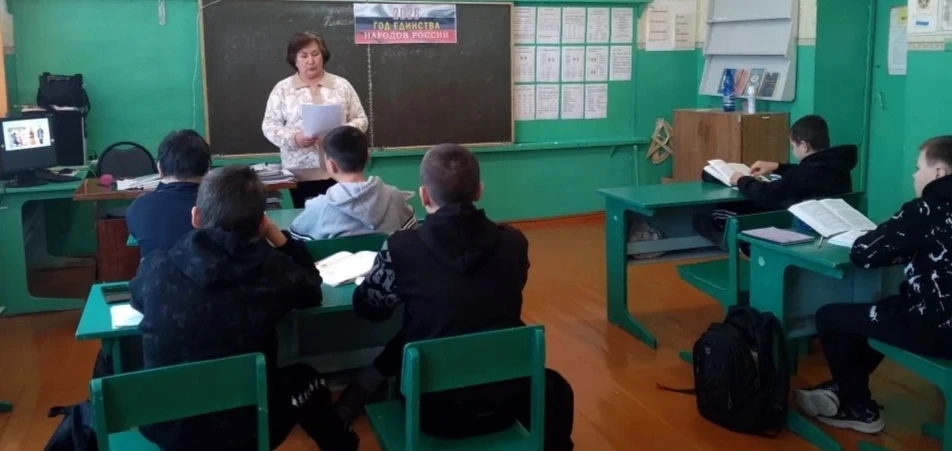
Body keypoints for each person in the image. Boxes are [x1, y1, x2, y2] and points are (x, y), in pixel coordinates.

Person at [335, 144, 575, 450]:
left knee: (419, 331)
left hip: (433, 413)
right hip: (508, 402)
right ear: (480, 191)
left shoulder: (401, 247)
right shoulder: (515, 242)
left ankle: (354, 396)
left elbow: (370, 308)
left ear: (424, 196)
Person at [129, 166, 358, 451]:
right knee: (307, 380)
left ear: (196, 217)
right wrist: (278, 237)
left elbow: (137, 299)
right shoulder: (273, 271)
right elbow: (312, 288)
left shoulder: (159, 266)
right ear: (261, 223)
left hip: (169, 427)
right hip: (251, 428)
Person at [795, 135, 952, 434]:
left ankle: (859, 409)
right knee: (886, 309)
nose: (914, 175)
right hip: (936, 315)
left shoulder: (925, 209)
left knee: (830, 317)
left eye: (918, 167)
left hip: (939, 330)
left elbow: (864, 254)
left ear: (939, 173)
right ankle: (843, 386)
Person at [695, 114, 857, 246]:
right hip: (824, 227)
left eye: (793, 146)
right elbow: (806, 172)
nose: (793, 151)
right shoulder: (837, 166)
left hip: (796, 228)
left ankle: (733, 243)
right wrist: (777, 166)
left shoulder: (804, 174)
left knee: (723, 211)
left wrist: (741, 180)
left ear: (804, 146)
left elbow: (767, 193)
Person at [262, 31, 369, 209]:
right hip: (301, 173)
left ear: (323, 56)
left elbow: (361, 119)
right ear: (294, 60)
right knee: (309, 217)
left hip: (341, 167)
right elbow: (269, 125)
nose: (310, 61)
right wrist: (294, 139)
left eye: (315, 54)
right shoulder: (282, 89)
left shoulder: (341, 85)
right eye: (304, 56)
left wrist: (343, 132)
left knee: (344, 215)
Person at [289, 125, 416, 240]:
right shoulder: (395, 197)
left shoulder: (319, 207)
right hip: (385, 259)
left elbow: (297, 239)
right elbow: (412, 233)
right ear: (367, 158)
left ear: (331, 165)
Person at [125, 129, 211, 258]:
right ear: (208, 170)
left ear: (159, 168)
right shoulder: (223, 207)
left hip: (157, 271)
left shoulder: (139, 206)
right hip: (213, 271)